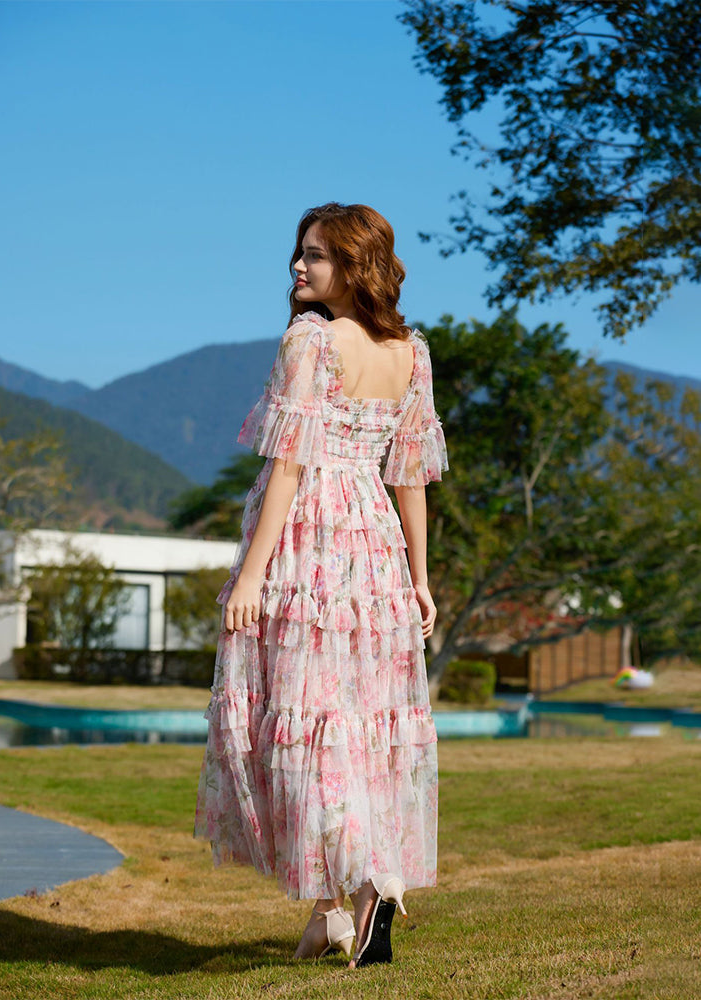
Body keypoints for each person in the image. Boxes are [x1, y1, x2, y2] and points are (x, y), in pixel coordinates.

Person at [195, 202, 448, 968]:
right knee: (352, 724)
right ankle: (331, 912)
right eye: (299, 254)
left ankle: (366, 886)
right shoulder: (412, 352)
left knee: (300, 719)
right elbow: (410, 479)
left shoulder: (309, 339)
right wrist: (420, 579)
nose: (299, 268)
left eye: (316, 255)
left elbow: (289, 466)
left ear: (355, 263)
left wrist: (252, 571)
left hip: (309, 544)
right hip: (371, 548)